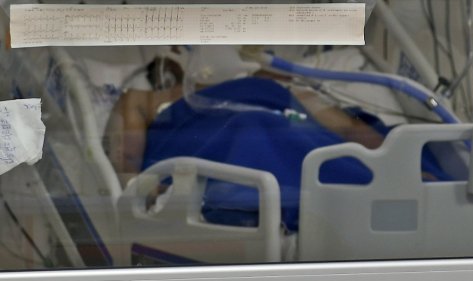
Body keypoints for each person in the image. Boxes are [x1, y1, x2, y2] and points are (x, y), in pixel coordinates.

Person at [104, 58, 449, 232]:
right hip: (231, 139)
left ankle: (385, 188)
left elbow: (348, 131)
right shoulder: (160, 98)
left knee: (302, 145)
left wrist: (400, 165)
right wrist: (137, 186)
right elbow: (128, 146)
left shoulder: (287, 91)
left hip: (287, 137)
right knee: (254, 131)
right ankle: (360, 198)